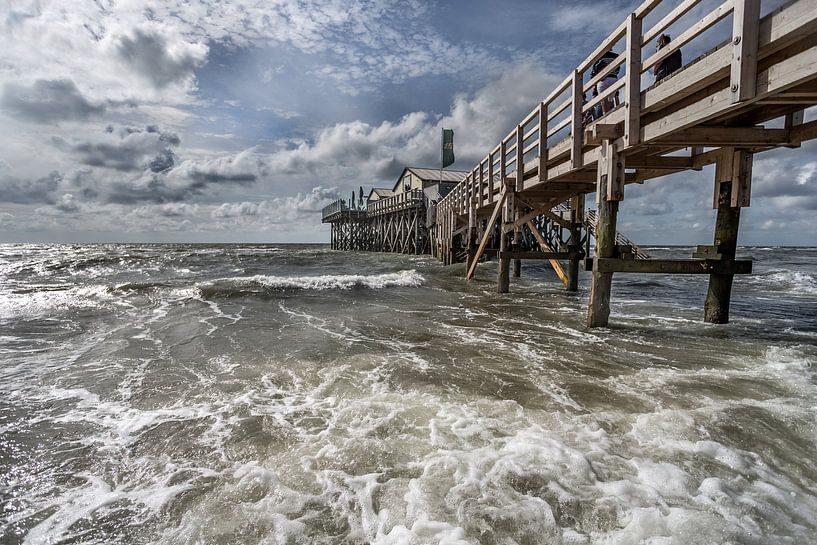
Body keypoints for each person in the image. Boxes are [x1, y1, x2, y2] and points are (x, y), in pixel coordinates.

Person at [591, 50, 619, 115]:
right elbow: (618, 69)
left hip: (603, 80)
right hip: (614, 79)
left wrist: (597, 74)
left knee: (603, 100)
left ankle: (606, 115)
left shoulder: (598, 56)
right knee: (610, 100)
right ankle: (609, 114)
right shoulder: (615, 56)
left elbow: (594, 70)